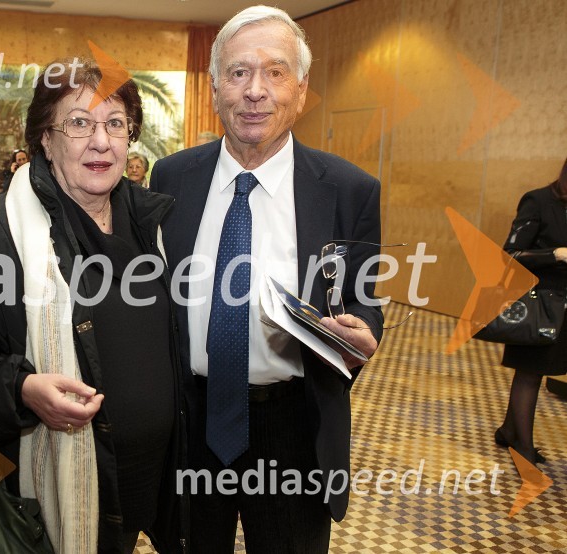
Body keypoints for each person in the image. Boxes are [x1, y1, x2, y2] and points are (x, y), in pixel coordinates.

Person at [0, 59, 185, 554]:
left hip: (142, 484)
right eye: (79, 122)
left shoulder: (157, 226)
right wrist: (22, 389)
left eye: (115, 124)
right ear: (45, 137)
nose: (100, 142)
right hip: (32, 504)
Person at [151, 6, 382, 553]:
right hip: (191, 419)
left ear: (301, 91)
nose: (255, 90)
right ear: (214, 89)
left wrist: (364, 330)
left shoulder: (350, 190)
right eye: (238, 73)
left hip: (295, 425)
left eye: (275, 73)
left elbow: (363, 297)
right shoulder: (171, 177)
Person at [495, 158, 567, 466]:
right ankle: (522, 446)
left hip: (564, 307)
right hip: (539, 303)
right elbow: (509, 255)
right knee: (530, 372)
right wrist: (554, 254)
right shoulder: (539, 200)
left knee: (541, 368)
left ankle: (508, 431)